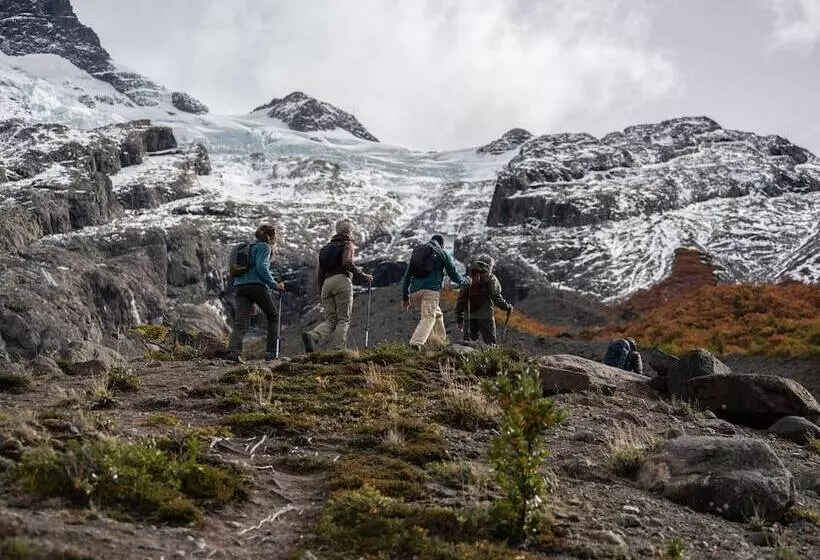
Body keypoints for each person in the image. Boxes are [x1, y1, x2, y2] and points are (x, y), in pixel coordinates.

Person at [302, 220, 373, 353]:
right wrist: (364, 276)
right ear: (349, 231)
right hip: (342, 281)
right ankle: (338, 351)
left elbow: (320, 272)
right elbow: (347, 263)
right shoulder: (347, 244)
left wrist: (321, 292)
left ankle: (313, 335)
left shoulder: (325, 249)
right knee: (343, 319)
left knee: (331, 320)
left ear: (337, 231)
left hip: (326, 285)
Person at [227, 224, 285, 363]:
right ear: (270, 236)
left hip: (240, 286)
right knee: (273, 316)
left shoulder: (249, 248)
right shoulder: (265, 247)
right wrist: (275, 285)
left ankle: (233, 353)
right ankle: (271, 353)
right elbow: (261, 267)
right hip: (256, 286)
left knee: (240, 322)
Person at [401, 234, 469, 349]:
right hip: (430, 291)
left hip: (414, 292)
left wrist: (405, 297)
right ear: (441, 244)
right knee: (428, 317)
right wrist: (465, 281)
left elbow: (407, 276)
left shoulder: (418, 253)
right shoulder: (442, 254)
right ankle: (416, 343)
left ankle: (439, 343)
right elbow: (454, 276)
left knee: (437, 314)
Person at [455, 254, 513, 345]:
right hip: (486, 317)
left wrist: (459, 319)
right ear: (490, 266)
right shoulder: (490, 278)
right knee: (490, 345)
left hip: (468, 317)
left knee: (467, 346)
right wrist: (506, 307)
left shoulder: (469, 278)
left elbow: (460, 299)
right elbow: (496, 297)